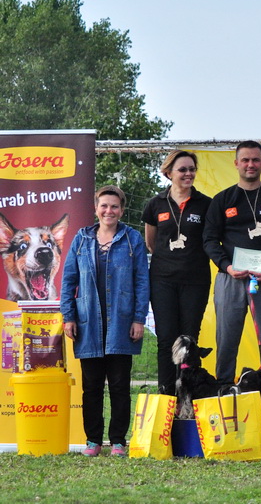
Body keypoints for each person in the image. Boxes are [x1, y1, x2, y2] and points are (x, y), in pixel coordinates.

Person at [60, 185, 149, 457]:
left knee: (120, 385)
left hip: (122, 322)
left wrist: (139, 319)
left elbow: (142, 281)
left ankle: (118, 441)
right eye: (104, 206)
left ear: (121, 210)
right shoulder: (81, 239)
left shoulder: (132, 239)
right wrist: (68, 317)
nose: (109, 211)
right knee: (92, 387)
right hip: (88, 323)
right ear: (96, 208)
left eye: (114, 206)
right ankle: (93, 441)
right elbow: (68, 280)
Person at [202, 141, 261, 385]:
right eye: (245, 160)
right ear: (236, 163)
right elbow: (209, 240)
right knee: (226, 336)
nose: (250, 164)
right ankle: (223, 386)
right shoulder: (223, 199)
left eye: (255, 160)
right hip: (230, 277)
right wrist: (227, 266)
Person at [142, 150, 212, 396]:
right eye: (182, 169)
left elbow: (210, 239)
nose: (188, 174)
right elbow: (151, 243)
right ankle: (167, 396)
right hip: (163, 280)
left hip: (195, 280)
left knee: (189, 339)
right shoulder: (155, 204)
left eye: (192, 169)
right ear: (168, 172)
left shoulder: (206, 203)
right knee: (166, 340)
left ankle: (191, 396)